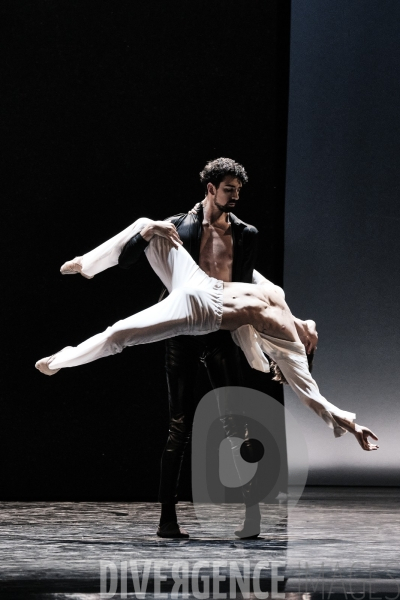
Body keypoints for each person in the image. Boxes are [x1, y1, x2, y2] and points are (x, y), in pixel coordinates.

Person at [35, 216, 379, 458]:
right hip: (200, 282)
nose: (309, 336)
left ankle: (59, 361)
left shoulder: (290, 349)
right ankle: (88, 264)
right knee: (152, 227)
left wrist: (352, 426)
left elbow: (311, 396)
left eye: (308, 341)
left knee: (119, 334)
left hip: (202, 312)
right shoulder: (284, 300)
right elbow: (259, 281)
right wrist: (309, 322)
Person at [116, 157, 291, 539]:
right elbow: (127, 260)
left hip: (220, 331)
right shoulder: (177, 226)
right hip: (182, 331)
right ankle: (167, 520)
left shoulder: (247, 234)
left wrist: (271, 349)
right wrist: (146, 232)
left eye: (239, 190)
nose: (236, 196)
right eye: (229, 189)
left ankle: (251, 516)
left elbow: (251, 297)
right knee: (179, 426)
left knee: (237, 425)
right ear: (210, 189)